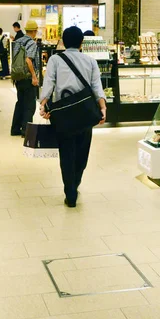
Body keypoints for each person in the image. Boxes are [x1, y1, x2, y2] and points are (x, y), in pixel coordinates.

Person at [39, 26, 106, 207]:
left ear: (63, 41)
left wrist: (43, 103)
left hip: (63, 115)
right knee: (82, 152)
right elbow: (96, 87)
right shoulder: (90, 61)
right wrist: (103, 107)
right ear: (82, 42)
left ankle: (70, 191)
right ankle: (75, 183)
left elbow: (49, 82)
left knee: (66, 152)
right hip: (85, 113)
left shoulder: (55, 59)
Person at [10, 20, 39, 137]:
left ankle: (15, 128)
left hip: (18, 76)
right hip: (27, 77)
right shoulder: (31, 43)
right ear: (34, 31)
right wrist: (34, 76)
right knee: (30, 105)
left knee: (20, 103)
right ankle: (26, 131)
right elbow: (28, 60)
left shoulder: (18, 41)